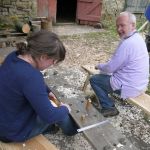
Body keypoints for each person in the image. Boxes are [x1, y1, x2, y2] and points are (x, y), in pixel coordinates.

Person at [0, 30, 78, 142]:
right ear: (43, 57)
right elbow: (50, 116)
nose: (53, 65)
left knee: (48, 107)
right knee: (59, 112)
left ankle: (49, 127)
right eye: (54, 61)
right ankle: (72, 131)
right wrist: (65, 109)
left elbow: (25, 83)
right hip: (12, 132)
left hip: (5, 119)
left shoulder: (14, 56)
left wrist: (47, 91)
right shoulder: (32, 76)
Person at [90, 11, 149, 117]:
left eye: (122, 25)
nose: (118, 29)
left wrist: (99, 65)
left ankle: (108, 107)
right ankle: (105, 98)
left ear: (133, 25)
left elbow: (110, 68)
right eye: (117, 26)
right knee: (106, 75)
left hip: (130, 87)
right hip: (140, 84)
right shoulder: (138, 38)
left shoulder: (128, 43)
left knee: (94, 79)